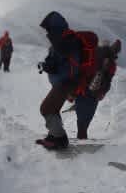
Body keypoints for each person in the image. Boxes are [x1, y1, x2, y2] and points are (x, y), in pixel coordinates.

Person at [35, 11, 93, 150]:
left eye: (48, 29)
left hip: (66, 84)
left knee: (46, 108)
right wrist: (47, 66)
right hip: (63, 83)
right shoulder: (61, 42)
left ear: (55, 28)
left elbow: (71, 69)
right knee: (53, 109)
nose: (47, 32)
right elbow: (59, 62)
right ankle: (54, 135)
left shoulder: (67, 43)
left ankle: (59, 139)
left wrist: (52, 68)